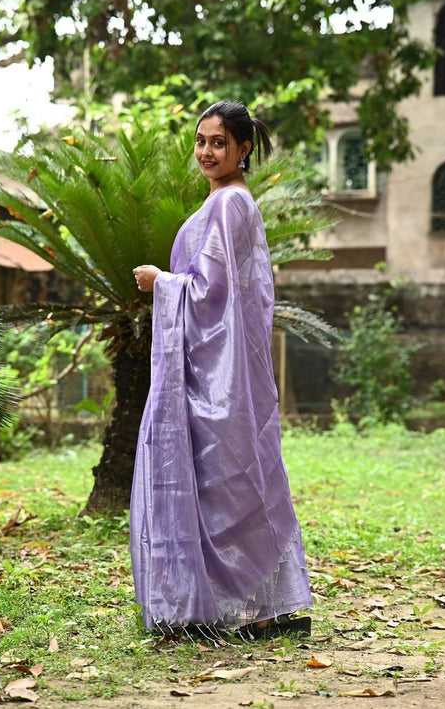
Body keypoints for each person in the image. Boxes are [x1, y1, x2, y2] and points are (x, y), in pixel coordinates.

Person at [130, 100, 312, 641]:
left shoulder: (231, 204)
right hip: (217, 368)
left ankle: (254, 610)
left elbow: (214, 293)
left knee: (228, 480)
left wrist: (161, 282)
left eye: (219, 142)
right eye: (201, 141)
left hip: (221, 374)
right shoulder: (225, 202)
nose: (208, 151)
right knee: (230, 479)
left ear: (243, 148)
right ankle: (245, 607)